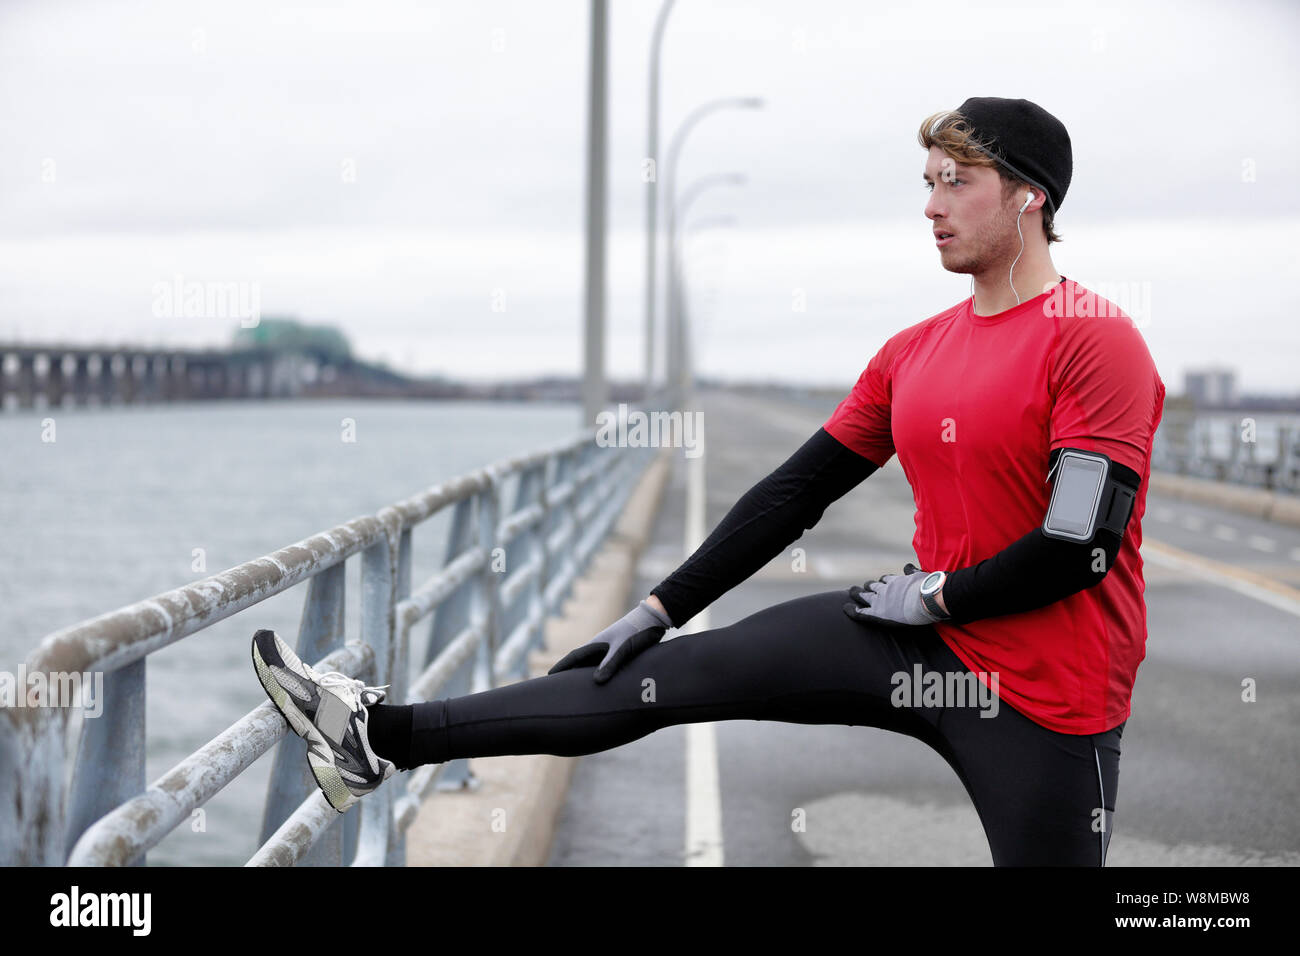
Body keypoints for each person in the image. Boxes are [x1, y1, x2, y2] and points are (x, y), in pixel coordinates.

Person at [251, 96, 1166, 866]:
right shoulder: (915, 351)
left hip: (1048, 692)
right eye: (927, 182)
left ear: (1028, 199)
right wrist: (657, 609)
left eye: (956, 182)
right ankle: (378, 734)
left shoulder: (1094, 340)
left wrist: (934, 597)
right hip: (915, 635)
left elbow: (1076, 546)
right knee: (660, 676)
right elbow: (792, 493)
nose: (931, 205)